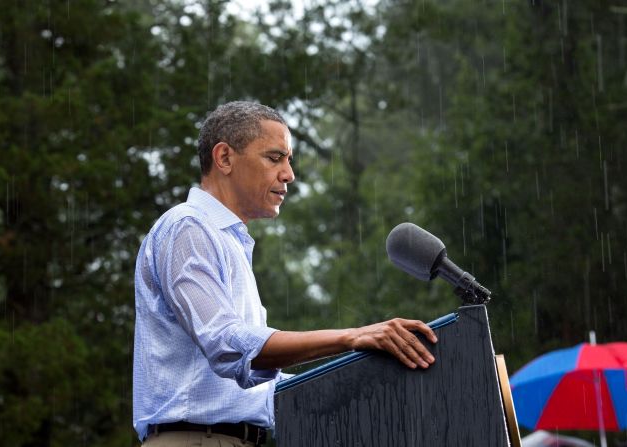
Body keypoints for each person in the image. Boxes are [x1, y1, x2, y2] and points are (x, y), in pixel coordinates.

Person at [133, 101, 438, 446]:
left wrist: (370, 374)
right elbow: (226, 342)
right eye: (275, 158)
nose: (289, 174)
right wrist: (351, 337)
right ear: (224, 158)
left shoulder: (227, 240)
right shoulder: (187, 228)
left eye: (288, 160)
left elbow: (255, 383)